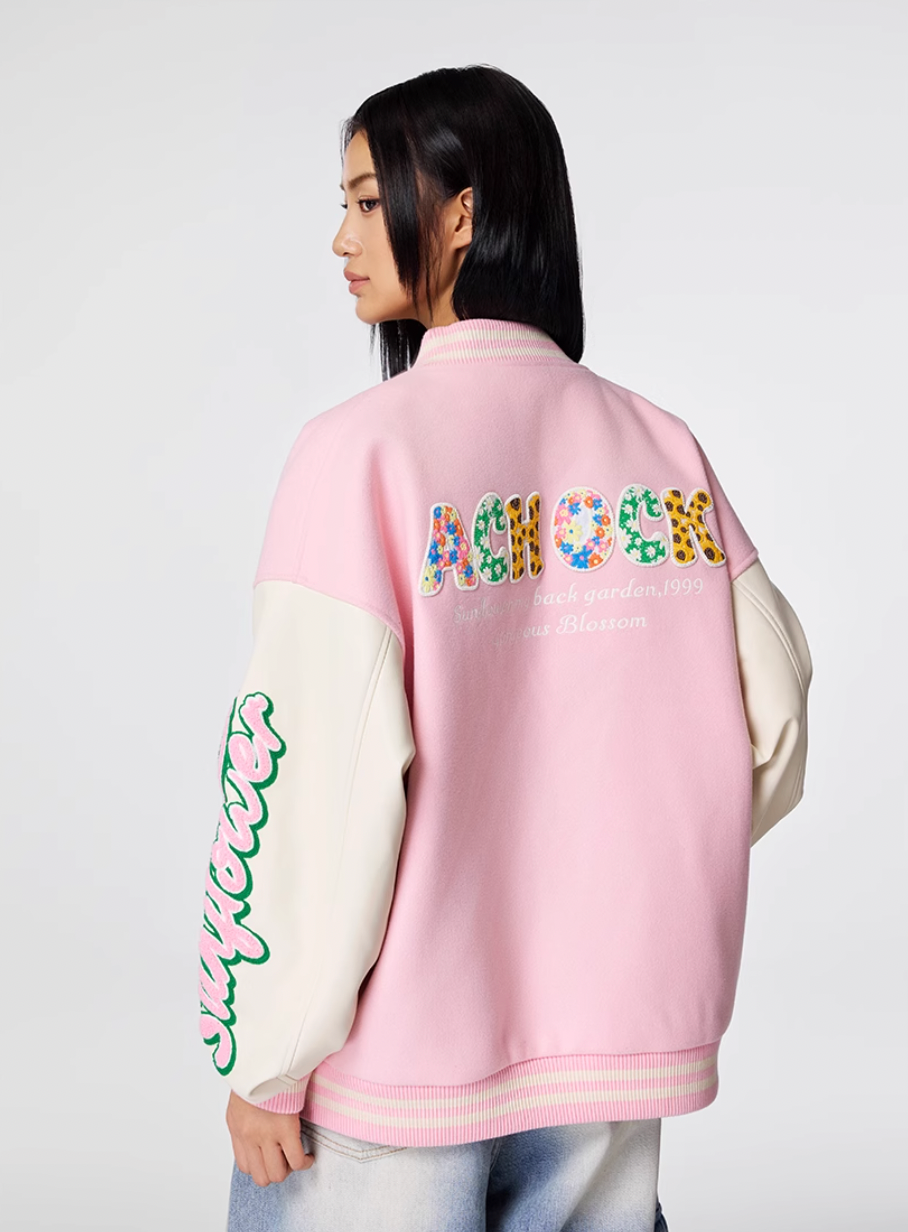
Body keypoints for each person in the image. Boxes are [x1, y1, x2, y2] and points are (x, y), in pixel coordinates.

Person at [196, 64, 813, 1232]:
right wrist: (626, 870)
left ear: (461, 214)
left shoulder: (359, 456)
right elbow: (771, 718)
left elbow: (314, 788)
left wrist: (267, 1053)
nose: (340, 237)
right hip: (611, 1054)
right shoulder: (661, 449)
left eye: (366, 201)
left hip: (392, 1069)